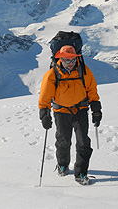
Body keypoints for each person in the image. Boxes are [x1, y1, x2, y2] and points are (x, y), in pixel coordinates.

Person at [38, 45, 102, 185]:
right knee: (63, 141)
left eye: (73, 59)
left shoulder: (84, 71)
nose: (71, 63)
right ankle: (62, 164)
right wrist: (44, 113)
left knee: (83, 142)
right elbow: (44, 97)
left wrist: (96, 108)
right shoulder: (52, 74)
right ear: (60, 59)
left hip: (81, 110)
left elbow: (92, 90)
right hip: (61, 112)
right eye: (67, 60)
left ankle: (81, 173)